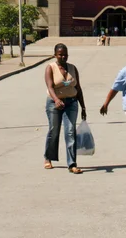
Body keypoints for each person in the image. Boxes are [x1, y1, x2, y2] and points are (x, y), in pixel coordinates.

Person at [44, 43, 86, 174]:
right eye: (60, 54)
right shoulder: (50, 68)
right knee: (54, 130)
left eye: (65, 54)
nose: (63, 57)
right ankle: (48, 157)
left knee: (70, 131)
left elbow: (78, 88)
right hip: (54, 103)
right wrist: (56, 100)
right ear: (55, 55)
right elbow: (50, 87)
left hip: (71, 103)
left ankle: (72, 164)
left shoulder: (73, 68)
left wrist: (83, 106)